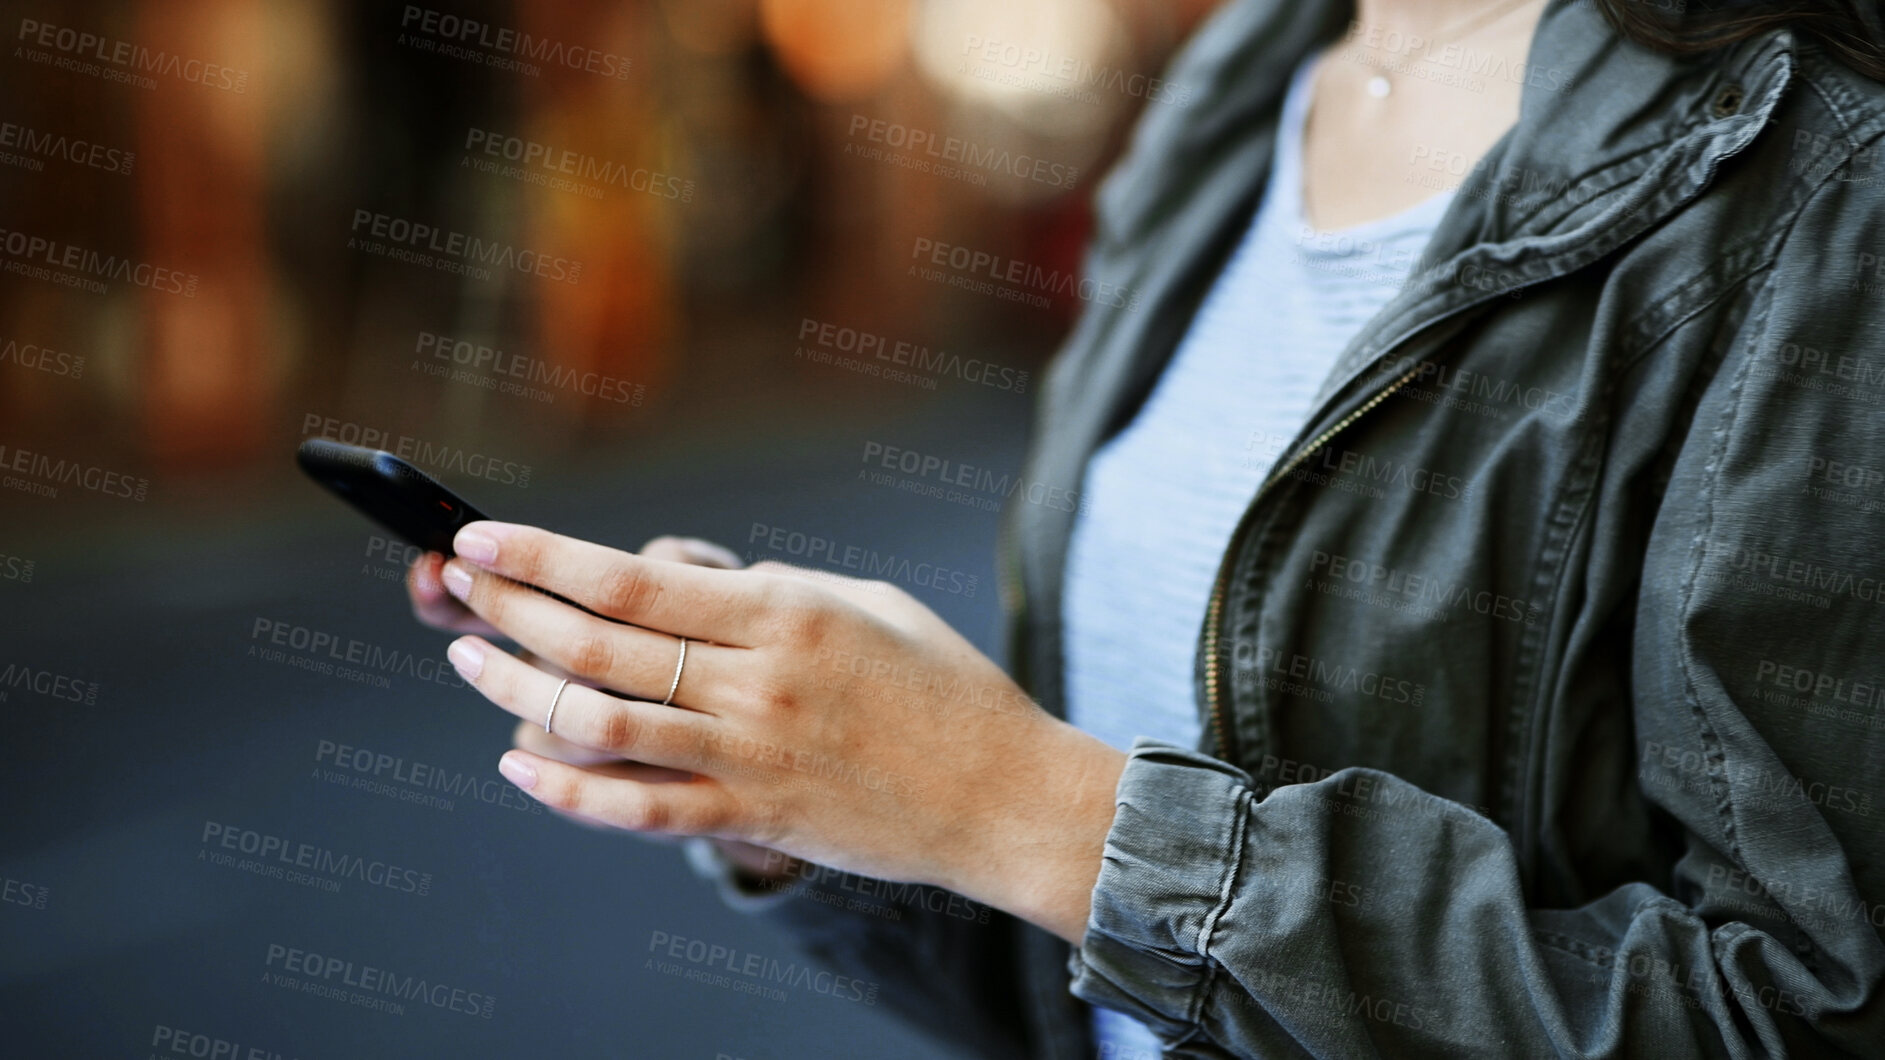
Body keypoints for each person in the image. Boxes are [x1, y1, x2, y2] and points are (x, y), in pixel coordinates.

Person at [406, 0, 1885, 1055]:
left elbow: (1804, 1013)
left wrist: (1008, 800)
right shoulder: (1246, 77)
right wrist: (821, 781)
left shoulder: (1830, 179)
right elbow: (1113, 981)